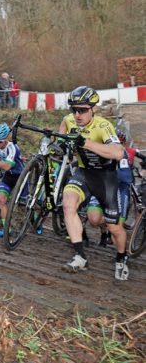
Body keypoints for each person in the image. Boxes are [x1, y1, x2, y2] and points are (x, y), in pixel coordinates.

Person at [58, 86, 128, 279]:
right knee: (68, 204)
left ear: (93, 109)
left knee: (113, 227)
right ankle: (80, 256)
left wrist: (84, 142)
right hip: (83, 173)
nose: (77, 115)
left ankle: (121, 257)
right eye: (75, 109)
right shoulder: (69, 119)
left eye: (83, 110)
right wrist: (62, 142)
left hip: (105, 178)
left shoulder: (103, 126)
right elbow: (63, 127)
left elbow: (117, 152)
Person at [0, 123, 24, 238]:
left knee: (25, 204)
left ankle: (36, 223)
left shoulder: (13, 148)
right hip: (8, 177)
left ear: (6, 139)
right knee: (1, 200)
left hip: (20, 177)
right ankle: (6, 229)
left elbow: (6, 166)